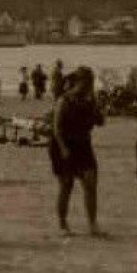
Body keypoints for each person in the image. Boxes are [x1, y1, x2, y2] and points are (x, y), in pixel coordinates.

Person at [50, 66, 105, 235]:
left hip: (83, 144)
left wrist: (98, 107)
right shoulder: (64, 101)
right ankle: (62, 223)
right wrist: (64, 149)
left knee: (91, 183)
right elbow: (57, 128)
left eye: (90, 83)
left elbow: (100, 122)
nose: (88, 87)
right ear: (78, 82)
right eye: (86, 83)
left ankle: (92, 224)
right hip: (62, 144)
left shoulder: (90, 100)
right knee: (66, 185)